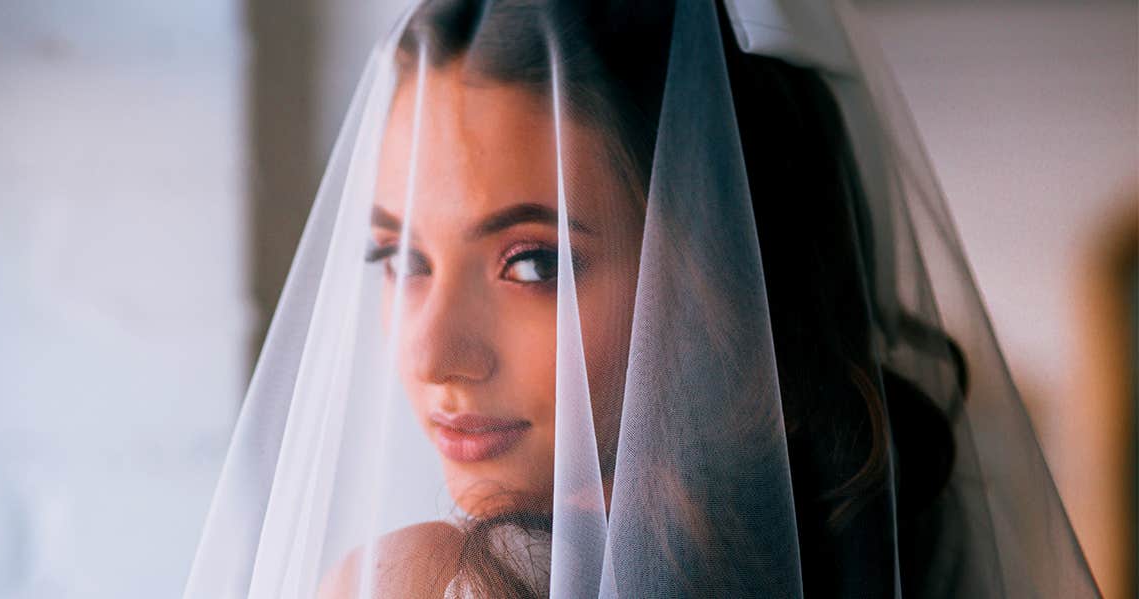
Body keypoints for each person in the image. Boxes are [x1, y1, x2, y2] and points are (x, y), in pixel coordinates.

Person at [184, 1, 1101, 598]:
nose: (430, 355)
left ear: (716, 275)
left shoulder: (416, 586)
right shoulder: (892, 552)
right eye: (399, 255)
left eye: (532, 262)